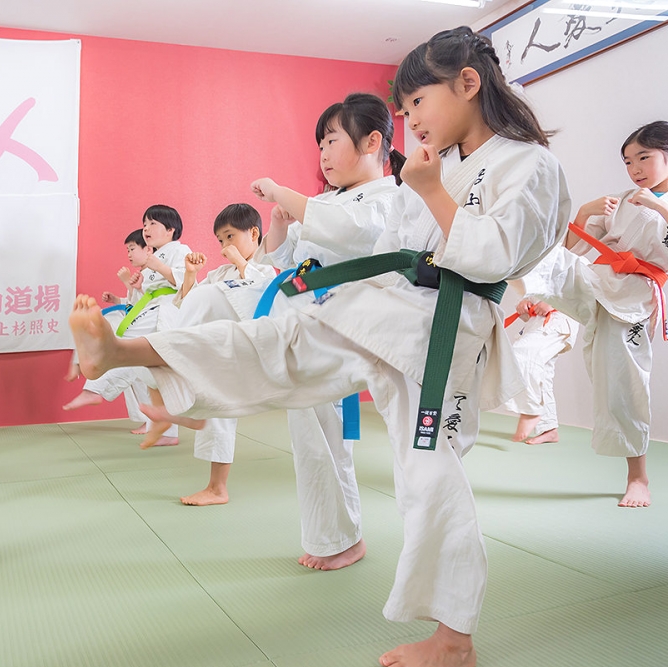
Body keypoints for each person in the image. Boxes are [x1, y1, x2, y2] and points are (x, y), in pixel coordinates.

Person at [69, 27, 570, 667]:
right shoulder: (442, 166)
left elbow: (493, 255)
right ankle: (130, 354)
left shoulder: (527, 163)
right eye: (406, 108)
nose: (411, 120)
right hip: (390, 309)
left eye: (418, 103)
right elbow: (397, 248)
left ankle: (452, 640)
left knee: (429, 471)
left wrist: (430, 191)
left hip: (446, 331)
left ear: (468, 84)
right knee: (279, 338)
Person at [251, 92, 403, 567]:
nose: (322, 153)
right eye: (319, 144)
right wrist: (278, 222)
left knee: (340, 436)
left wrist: (281, 192)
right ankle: (336, 537)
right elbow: (283, 259)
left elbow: (347, 231)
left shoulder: (390, 197)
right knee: (313, 433)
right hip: (316, 322)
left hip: (362, 329)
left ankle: (344, 538)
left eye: (331, 140)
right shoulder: (328, 201)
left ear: (372, 140)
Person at [523, 120, 668, 508]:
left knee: (622, 386)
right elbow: (570, 250)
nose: (634, 168)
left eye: (644, 157)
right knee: (540, 251)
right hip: (596, 283)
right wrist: (586, 211)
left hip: (633, 302)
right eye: (627, 161)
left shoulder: (654, 203)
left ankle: (638, 477)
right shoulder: (622, 200)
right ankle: (490, 287)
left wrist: (657, 206)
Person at [149, 203, 278, 504]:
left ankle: (168, 377)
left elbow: (263, 302)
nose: (223, 246)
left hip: (248, 351)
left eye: (230, 237)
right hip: (218, 353)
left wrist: (242, 265)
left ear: (254, 234)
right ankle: (217, 488)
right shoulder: (220, 272)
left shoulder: (266, 268)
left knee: (213, 404)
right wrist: (191, 275)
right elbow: (190, 302)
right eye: (220, 240)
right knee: (216, 411)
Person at [65, 206, 191, 447]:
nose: (146, 228)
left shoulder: (179, 250)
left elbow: (185, 282)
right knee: (155, 373)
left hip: (166, 313)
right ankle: (167, 432)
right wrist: (137, 286)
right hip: (151, 310)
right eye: (144, 223)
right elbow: (148, 294)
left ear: (171, 229)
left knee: (123, 346)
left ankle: (93, 384)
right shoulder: (157, 256)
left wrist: (154, 266)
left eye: (152, 223)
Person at [64, 229, 155, 434]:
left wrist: (126, 283)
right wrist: (117, 299)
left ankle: (89, 382)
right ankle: (149, 420)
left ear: (147, 249)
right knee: (138, 375)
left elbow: (150, 303)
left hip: (149, 327)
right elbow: (136, 302)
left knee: (120, 354)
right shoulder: (145, 273)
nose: (129, 254)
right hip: (139, 323)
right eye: (127, 250)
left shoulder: (156, 272)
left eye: (132, 249)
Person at [504, 250, 579, 445]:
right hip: (538, 324)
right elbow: (535, 296)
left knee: (522, 354)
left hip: (559, 322)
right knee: (542, 375)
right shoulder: (536, 259)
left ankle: (530, 411)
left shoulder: (568, 256)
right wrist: (525, 304)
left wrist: (553, 303)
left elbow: (580, 289)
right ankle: (549, 429)